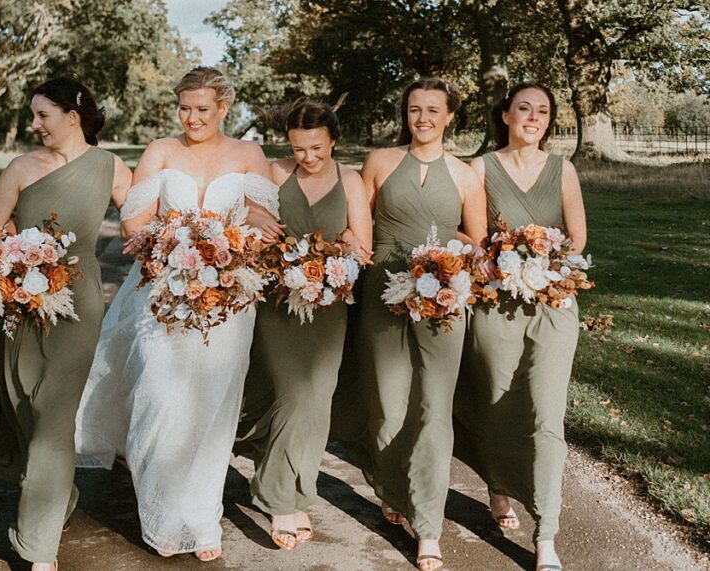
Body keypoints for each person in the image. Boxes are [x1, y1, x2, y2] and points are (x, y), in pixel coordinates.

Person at [74, 66, 280, 562]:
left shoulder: (248, 154)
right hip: (161, 292)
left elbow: (264, 215)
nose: (192, 118)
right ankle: (163, 514)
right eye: (185, 108)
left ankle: (201, 518)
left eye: (203, 110)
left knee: (213, 404)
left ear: (224, 109)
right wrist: (175, 240)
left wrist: (241, 228)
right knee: (161, 399)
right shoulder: (161, 152)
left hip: (229, 297)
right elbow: (133, 221)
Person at [0, 77, 131, 571]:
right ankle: (57, 494)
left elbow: (138, 231)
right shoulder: (22, 166)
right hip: (20, 302)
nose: (34, 124)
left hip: (78, 302)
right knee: (23, 406)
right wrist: (18, 262)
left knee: (53, 419)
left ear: (73, 115)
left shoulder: (111, 167)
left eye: (43, 115)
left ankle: (38, 550)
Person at [355, 77, 487, 570]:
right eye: (415, 109)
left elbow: (476, 240)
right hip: (383, 290)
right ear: (405, 114)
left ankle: (429, 526)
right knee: (388, 405)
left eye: (434, 110)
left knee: (435, 407)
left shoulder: (466, 176)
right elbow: (357, 223)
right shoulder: (379, 162)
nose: (423, 118)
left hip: (444, 294)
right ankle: (390, 484)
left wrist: (443, 263)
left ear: (450, 116)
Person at [453, 83, 586, 571]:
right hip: (497, 306)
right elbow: (462, 227)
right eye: (524, 108)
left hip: (554, 302)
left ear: (550, 121)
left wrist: (543, 255)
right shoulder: (481, 168)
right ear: (506, 114)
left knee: (547, 417)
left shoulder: (563, 169)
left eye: (543, 111)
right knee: (496, 402)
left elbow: (577, 237)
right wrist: (485, 256)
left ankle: (545, 535)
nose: (533, 117)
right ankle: (498, 484)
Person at [235, 100, 372, 549]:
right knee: (294, 393)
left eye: (316, 148)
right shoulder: (275, 174)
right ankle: (282, 500)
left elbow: (363, 247)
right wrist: (254, 216)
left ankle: (290, 490)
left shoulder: (349, 179)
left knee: (316, 399)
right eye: (298, 149)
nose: (307, 157)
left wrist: (348, 242)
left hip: (330, 305)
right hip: (279, 304)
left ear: (333, 140)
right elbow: (243, 222)